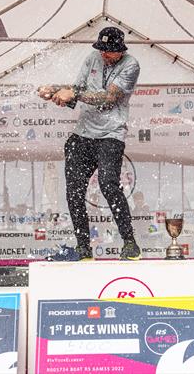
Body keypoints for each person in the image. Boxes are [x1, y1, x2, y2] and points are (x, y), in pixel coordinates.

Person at [37, 26, 141, 261]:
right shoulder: (92, 57)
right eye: (102, 50)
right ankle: (83, 247)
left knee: (108, 185)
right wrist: (56, 91)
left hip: (111, 136)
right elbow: (78, 89)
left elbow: (109, 98)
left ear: (120, 50)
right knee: (73, 191)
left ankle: (130, 243)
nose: (104, 55)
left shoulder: (131, 65)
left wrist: (73, 95)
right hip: (83, 133)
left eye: (109, 52)